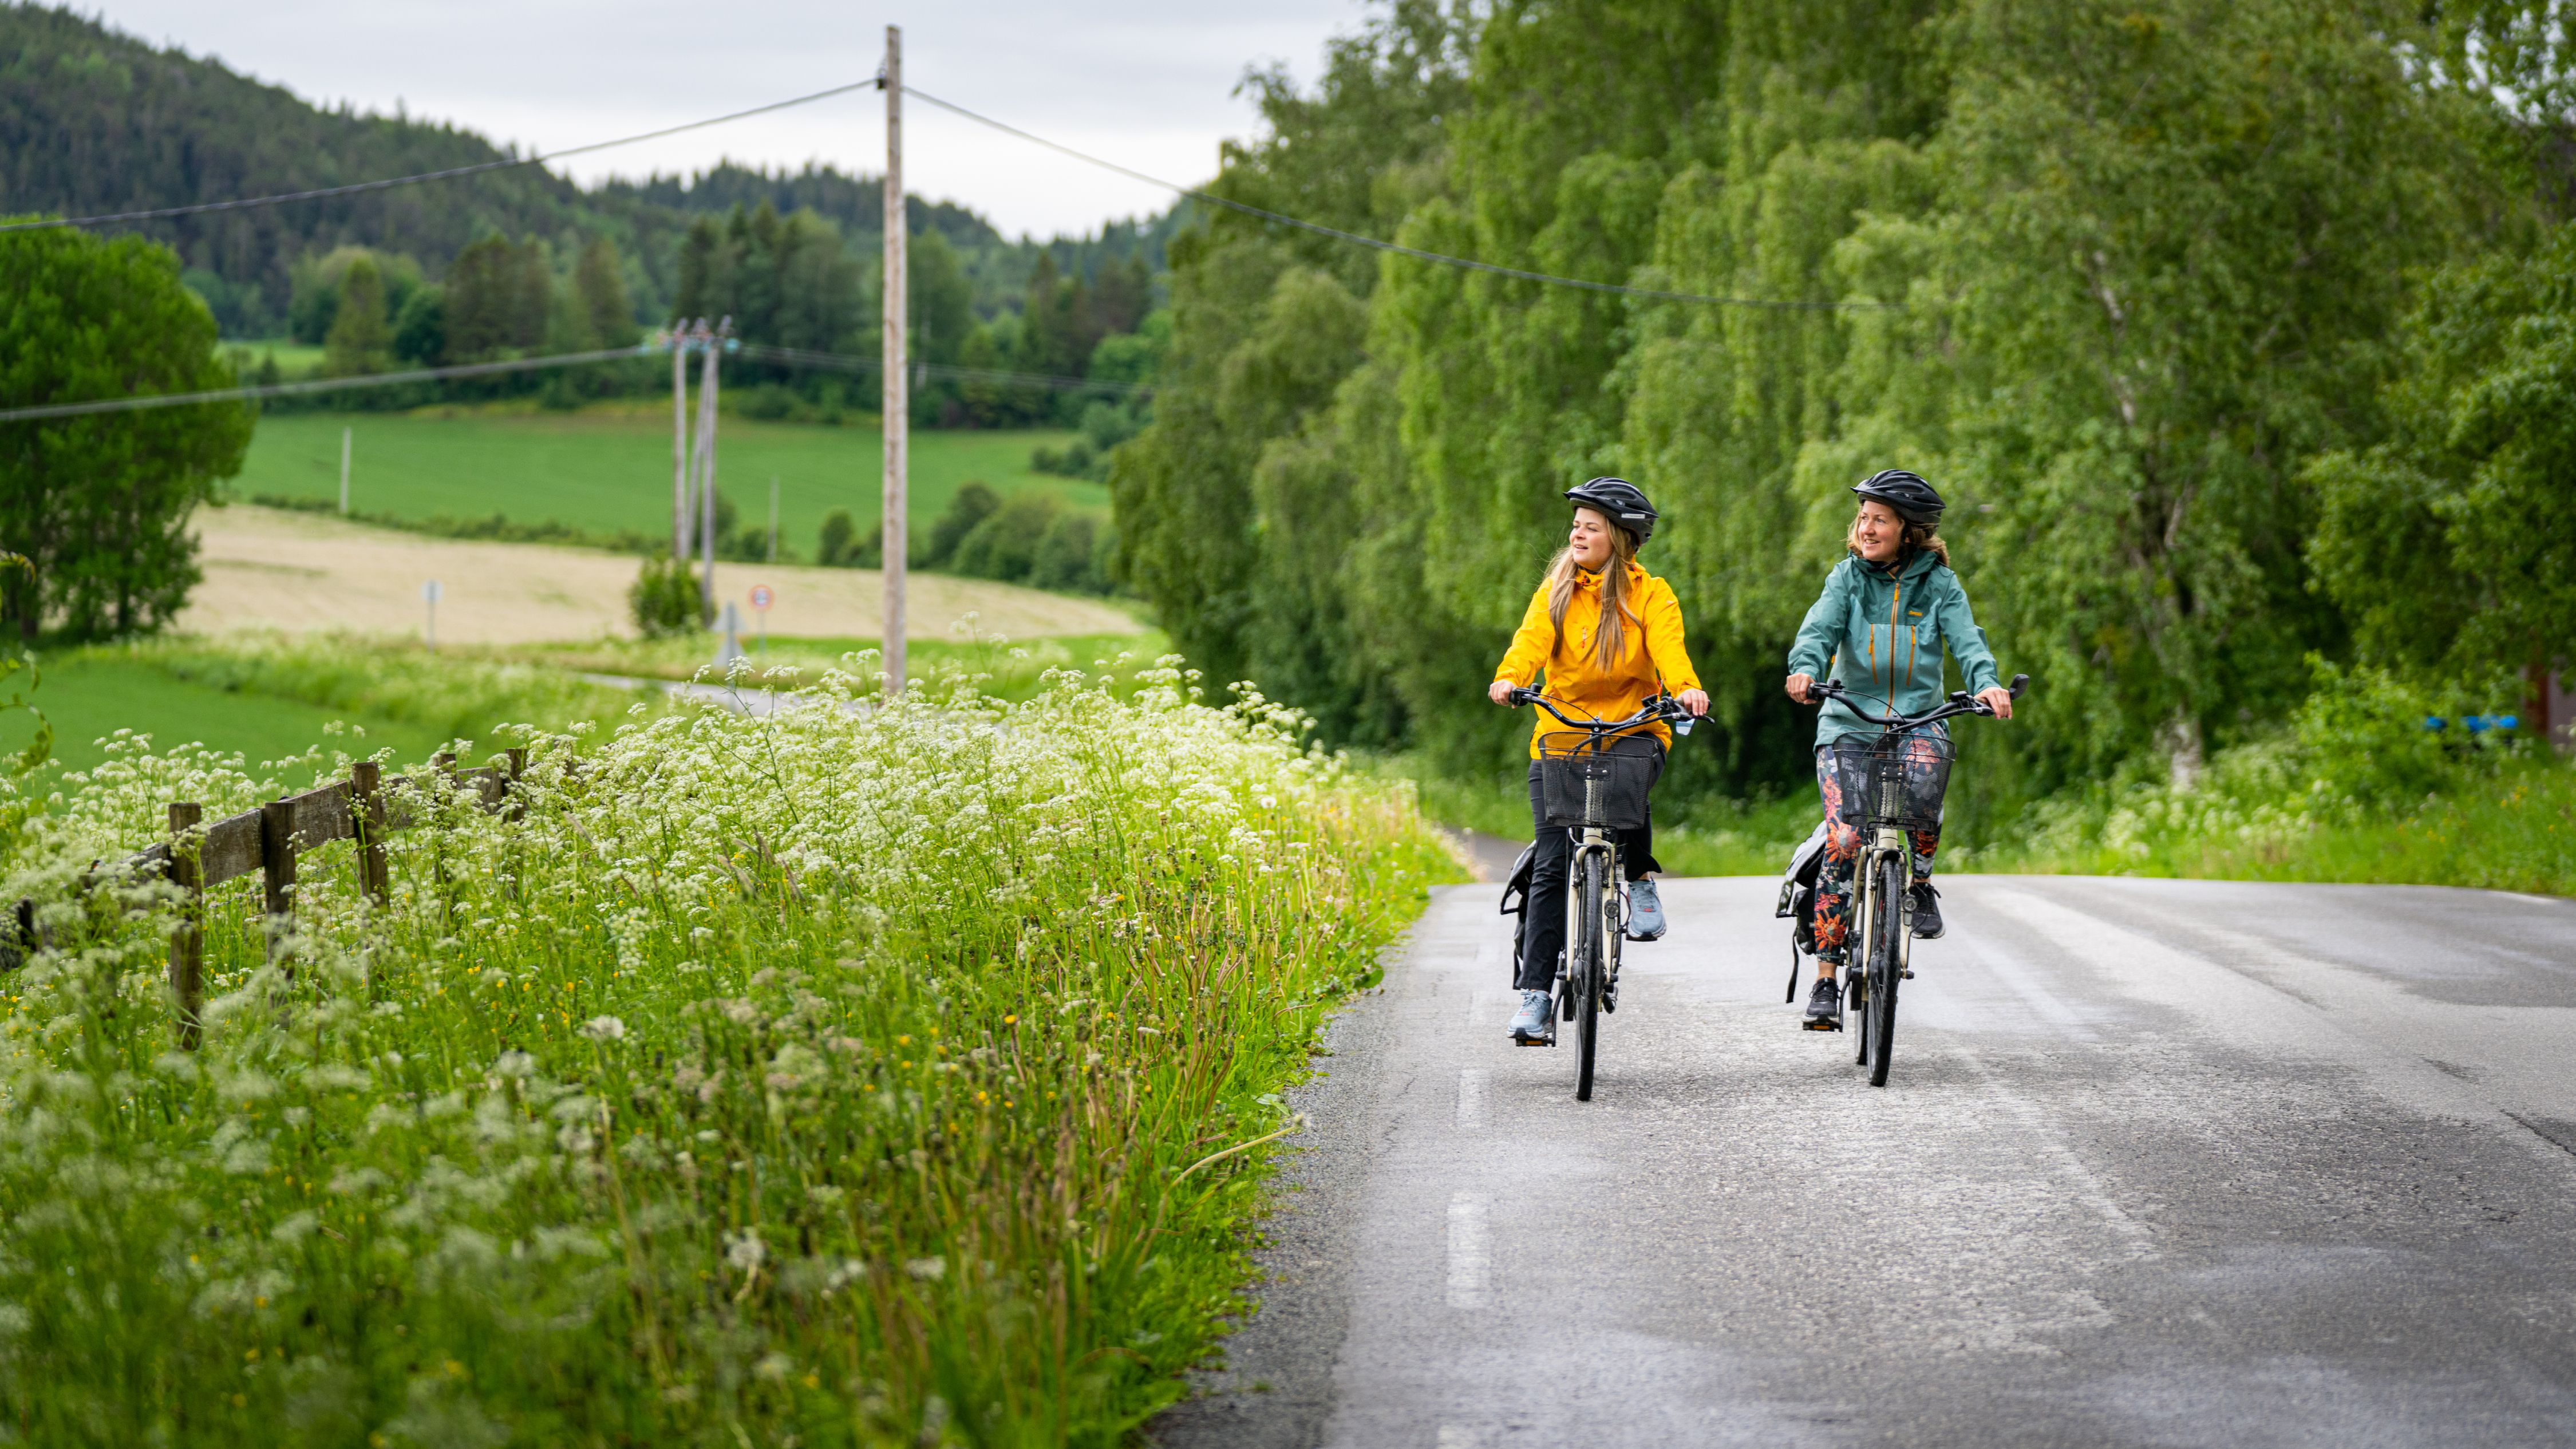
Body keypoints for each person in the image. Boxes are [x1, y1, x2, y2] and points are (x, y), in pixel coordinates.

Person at [1783, 469, 2013, 1029]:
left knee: (1931, 770)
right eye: (1862, 516)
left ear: (1908, 530)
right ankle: (1825, 976)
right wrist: (1805, 670)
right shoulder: (1847, 579)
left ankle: (1920, 880)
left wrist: (1986, 681)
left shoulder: (1939, 585)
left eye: (1878, 518)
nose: (1866, 526)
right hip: (1848, 720)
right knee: (1845, 838)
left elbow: (1967, 640)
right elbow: (1818, 630)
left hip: (1918, 717)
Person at [1489, 479, 1708, 1043]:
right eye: (1576, 524)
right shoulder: (1556, 590)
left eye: (1589, 525)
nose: (1576, 533)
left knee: (1630, 783)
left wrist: (1685, 689)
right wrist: (1512, 678)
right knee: (1552, 862)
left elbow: (1670, 651)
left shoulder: (1651, 595)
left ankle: (1638, 876)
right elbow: (1530, 642)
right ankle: (1536, 996)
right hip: (1562, 733)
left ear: (1619, 537)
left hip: (1632, 726)